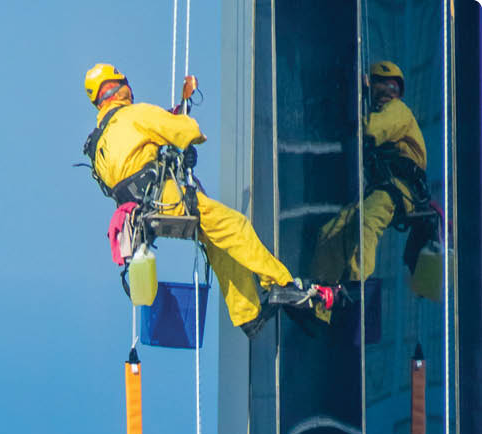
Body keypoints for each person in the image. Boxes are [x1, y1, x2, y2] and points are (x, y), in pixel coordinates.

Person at [82, 63, 317, 338]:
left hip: (140, 218)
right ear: (122, 87)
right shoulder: (135, 114)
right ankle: (282, 284)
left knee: (215, 240)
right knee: (234, 225)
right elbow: (188, 133)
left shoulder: (98, 142)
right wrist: (184, 124)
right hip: (164, 199)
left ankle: (247, 314)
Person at [311, 60, 428, 284]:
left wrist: (350, 117)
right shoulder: (381, 113)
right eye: (382, 87)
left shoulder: (398, 110)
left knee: (366, 223)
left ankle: (358, 286)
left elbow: (374, 129)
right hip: (382, 189)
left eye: (392, 88)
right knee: (331, 232)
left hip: (397, 190)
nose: (387, 93)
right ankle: (320, 304)